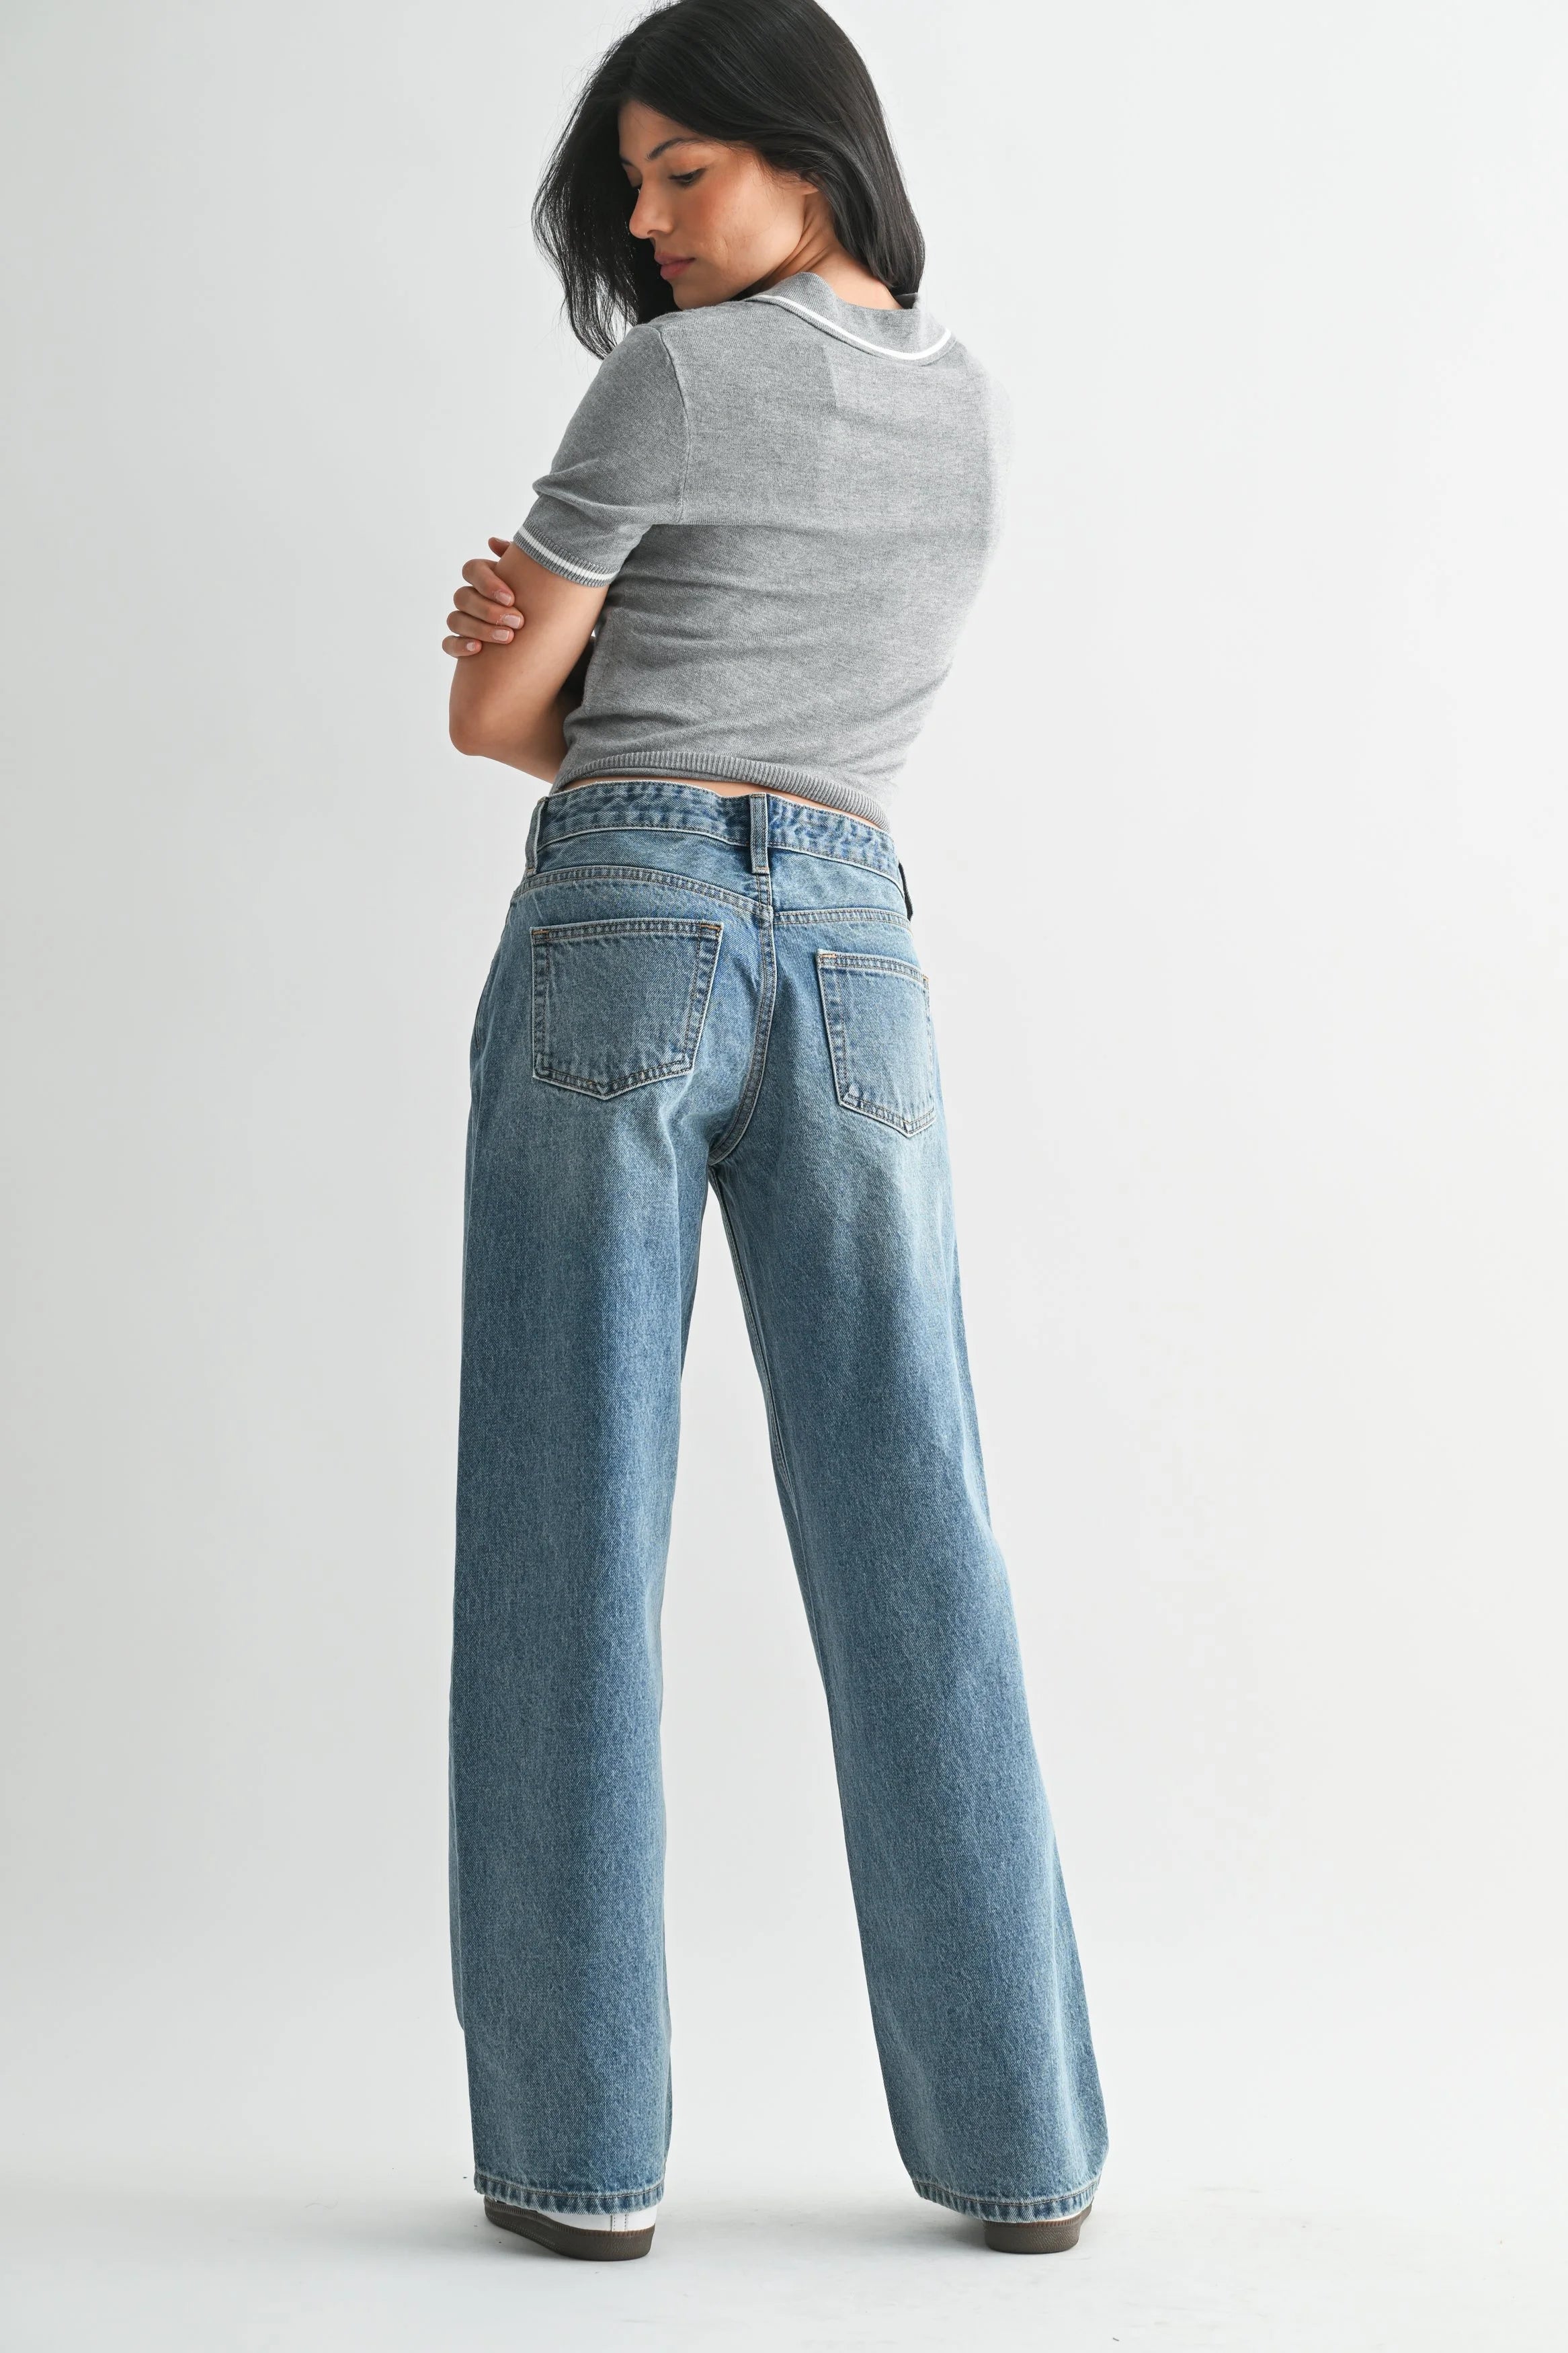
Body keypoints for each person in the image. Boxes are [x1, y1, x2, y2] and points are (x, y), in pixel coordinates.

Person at [442, 0, 1107, 2264]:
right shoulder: (976, 420)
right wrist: (618, 693)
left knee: (564, 1540)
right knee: (921, 1539)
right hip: (857, 958)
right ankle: (1025, 2149)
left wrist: (566, 671)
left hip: (623, 927)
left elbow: (494, 714)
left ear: (810, 157)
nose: (644, 224)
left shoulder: (678, 384)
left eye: (677, 175)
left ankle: (577, 2158)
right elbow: (778, 719)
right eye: (632, 187)